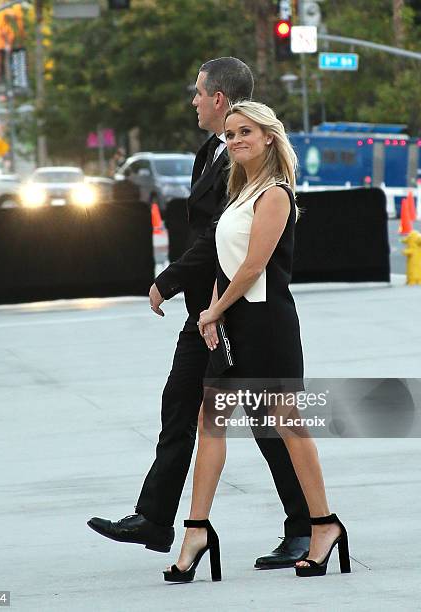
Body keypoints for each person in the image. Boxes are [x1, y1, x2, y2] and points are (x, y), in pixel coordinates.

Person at [87, 58, 311, 568]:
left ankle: (307, 526)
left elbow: (222, 241)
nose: (193, 101)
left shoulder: (251, 169)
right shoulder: (209, 152)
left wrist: (170, 280)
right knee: (180, 406)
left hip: (234, 312)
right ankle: (157, 517)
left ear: (221, 99)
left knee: (267, 421)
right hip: (206, 312)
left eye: (198, 93)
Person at [163, 101, 350, 582]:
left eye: (245, 131)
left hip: (267, 327)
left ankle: (324, 524)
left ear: (269, 136)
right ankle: (196, 530)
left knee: (290, 428)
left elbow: (253, 268)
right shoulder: (240, 192)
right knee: (212, 426)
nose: (236, 140)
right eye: (229, 134)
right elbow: (224, 263)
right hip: (233, 325)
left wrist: (214, 310)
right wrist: (210, 312)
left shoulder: (276, 194)